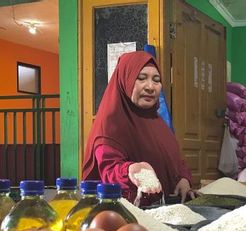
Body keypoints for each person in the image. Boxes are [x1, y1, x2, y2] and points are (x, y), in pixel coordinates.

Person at [82, 51, 195, 206]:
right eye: (141, 78)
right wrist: (130, 170)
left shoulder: (157, 121)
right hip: (127, 215)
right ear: (125, 80)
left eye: (156, 80)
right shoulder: (110, 124)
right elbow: (108, 170)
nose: (150, 87)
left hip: (163, 213)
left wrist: (183, 179)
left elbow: (175, 159)